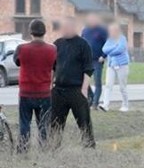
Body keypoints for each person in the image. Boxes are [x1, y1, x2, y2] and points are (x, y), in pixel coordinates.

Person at [50, 17, 95, 149]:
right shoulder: (57, 44)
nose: (63, 29)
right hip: (59, 90)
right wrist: (50, 85)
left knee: (84, 121)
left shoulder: (83, 45)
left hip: (77, 90)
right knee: (55, 122)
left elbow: (88, 68)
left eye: (66, 27)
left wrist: (84, 89)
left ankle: (89, 146)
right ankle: (54, 146)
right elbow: (52, 67)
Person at [13, 19, 56, 152]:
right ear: (44, 32)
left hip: (26, 92)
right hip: (44, 93)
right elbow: (55, 66)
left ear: (30, 32)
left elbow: (17, 62)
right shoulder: (52, 49)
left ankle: (23, 150)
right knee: (43, 124)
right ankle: (43, 150)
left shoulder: (21, 48)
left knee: (25, 123)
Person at [99, 24, 130, 112]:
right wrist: (114, 47)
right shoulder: (110, 40)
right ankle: (105, 105)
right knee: (108, 84)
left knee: (122, 86)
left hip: (122, 65)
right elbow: (104, 49)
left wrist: (111, 51)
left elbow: (120, 49)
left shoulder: (122, 38)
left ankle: (125, 105)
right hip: (111, 65)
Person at [81, 14, 107, 108]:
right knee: (83, 81)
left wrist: (103, 56)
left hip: (97, 60)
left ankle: (95, 103)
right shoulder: (85, 30)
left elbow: (108, 43)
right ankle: (91, 98)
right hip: (86, 60)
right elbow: (81, 43)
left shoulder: (102, 30)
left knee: (97, 82)